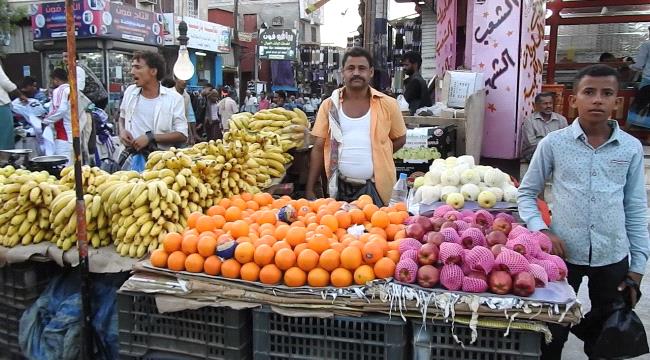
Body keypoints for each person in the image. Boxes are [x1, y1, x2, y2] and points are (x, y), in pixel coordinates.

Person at [517, 64, 650, 360]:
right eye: (589, 92)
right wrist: (542, 230)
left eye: (607, 93)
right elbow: (526, 193)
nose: (598, 100)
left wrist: (638, 266)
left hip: (612, 254)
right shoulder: (554, 143)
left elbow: (636, 208)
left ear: (617, 101)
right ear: (573, 99)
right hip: (563, 255)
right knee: (553, 331)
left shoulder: (630, 148)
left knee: (607, 334)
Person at [305, 47, 407, 205]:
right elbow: (318, 147)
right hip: (337, 189)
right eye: (351, 68)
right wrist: (310, 188)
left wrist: (379, 153)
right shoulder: (329, 105)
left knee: (376, 229)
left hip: (375, 188)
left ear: (371, 72)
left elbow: (400, 139)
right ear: (342, 72)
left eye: (362, 68)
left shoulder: (388, 105)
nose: (356, 73)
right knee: (335, 227)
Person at [119, 51, 187, 154]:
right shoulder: (130, 92)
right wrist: (122, 131)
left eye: (138, 67)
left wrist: (150, 138)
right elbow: (122, 117)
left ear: (153, 71)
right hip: (130, 157)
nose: (132, 72)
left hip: (160, 161)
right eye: (132, 67)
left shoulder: (174, 99)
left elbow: (182, 134)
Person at [520, 92, 568, 161]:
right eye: (545, 104)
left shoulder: (561, 119)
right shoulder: (529, 120)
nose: (549, 106)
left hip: (555, 153)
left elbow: (565, 140)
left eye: (550, 103)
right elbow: (531, 144)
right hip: (534, 153)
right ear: (537, 105)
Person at [43, 68, 73, 164]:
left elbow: (60, 109)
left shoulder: (60, 90)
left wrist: (45, 121)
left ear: (56, 79)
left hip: (64, 137)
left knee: (64, 169)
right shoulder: (73, 89)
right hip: (74, 136)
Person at [0, 61, 27, 150]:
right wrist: (20, 95)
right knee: (5, 138)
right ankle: (4, 161)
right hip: (1, 105)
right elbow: (5, 83)